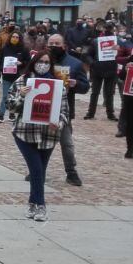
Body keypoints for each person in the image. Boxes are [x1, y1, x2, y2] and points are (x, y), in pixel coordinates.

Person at [5, 50, 69, 224]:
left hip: (48, 135)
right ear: (34, 62)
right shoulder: (22, 81)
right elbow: (10, 106)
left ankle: (32, 203)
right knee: (36, 170)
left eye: (47, 62)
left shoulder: (58, 85)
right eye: (41, 61)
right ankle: (41, 205)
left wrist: (59, 123)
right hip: (25, 133)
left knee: (39, 171)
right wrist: (23, 96)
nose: (43, 65)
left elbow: (64, 111)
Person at [46, 34, 88, 187]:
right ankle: (38, 170)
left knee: (67, 143)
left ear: (64, 45)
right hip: (43, 107)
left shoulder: (75, 63)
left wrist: (75, 84)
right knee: (42, 142)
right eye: (51, 43)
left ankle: (71, 171)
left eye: (57, 43)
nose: (54, 46)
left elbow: (85, 87)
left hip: (64, 109)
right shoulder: (42, 60)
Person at [85, 23, 119, 121]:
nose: (108, 31)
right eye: (106, 28)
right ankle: (90, 113)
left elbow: (124, 53)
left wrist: (119, 49)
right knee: (95, 93)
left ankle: (110, 114)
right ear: (103, 30)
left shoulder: (118, 41)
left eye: (110, 29)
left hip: (111, 69)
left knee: (109, 93)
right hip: (97, 70)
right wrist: (93, 63)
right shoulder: (96, 41)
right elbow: (88, 55)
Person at [0, 29, 29, 123]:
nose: (15, 38)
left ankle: (12, 113)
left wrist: (21, 63)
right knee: (5, 96)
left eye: (17, 37)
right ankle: (1, 115)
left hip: (18, 77)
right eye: (13, 37)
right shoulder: (4, 49)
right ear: (10, 38)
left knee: (15, 96)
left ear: (20, 39)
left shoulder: (24, 50)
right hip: (6, 76)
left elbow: (28, 62)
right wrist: (2, 68)